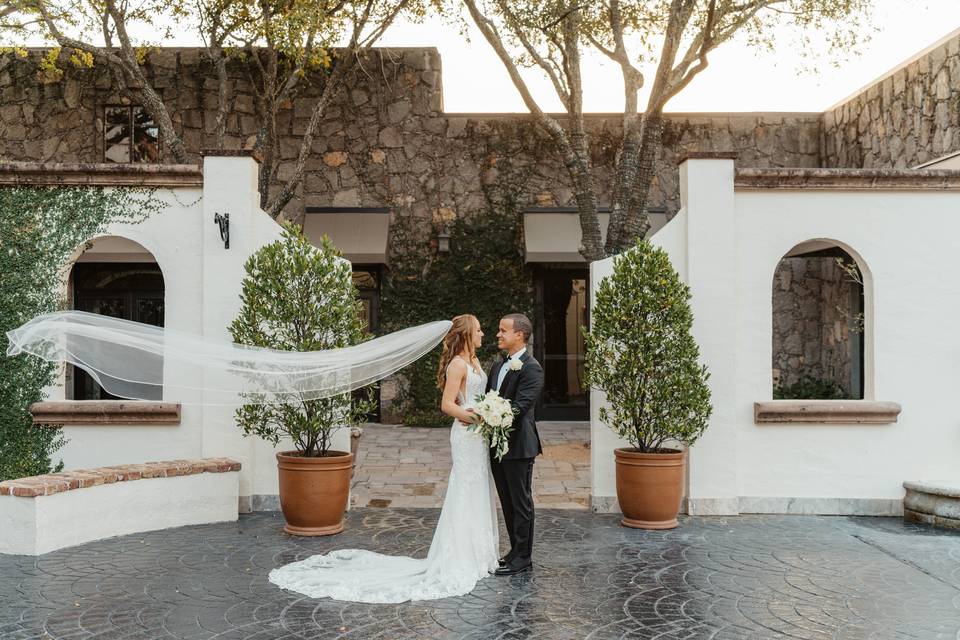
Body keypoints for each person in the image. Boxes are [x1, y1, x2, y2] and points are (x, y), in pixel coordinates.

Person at [267, 314, 500, 602]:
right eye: (479, 330)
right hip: (466, 435)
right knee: (464, 489)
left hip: (479, 437)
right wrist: (473, 416)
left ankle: (479, 555)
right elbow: (446, 405)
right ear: (466, 334)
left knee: (479, 489)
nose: (483, 333)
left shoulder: (475, 361)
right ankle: (460, 557)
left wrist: (488, 414)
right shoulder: (457, 365)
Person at [487, 313, 544, 576]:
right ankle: (513, 550)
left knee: (521, 502)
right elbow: (489, 398)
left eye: (503, 330)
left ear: (519, 335)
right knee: (507, 501)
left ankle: (524, 556)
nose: (498, 334)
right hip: (496, 445)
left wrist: (488, 414)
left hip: (519, 446)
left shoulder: (531, 367)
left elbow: (520, 407)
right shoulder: (498, 366)